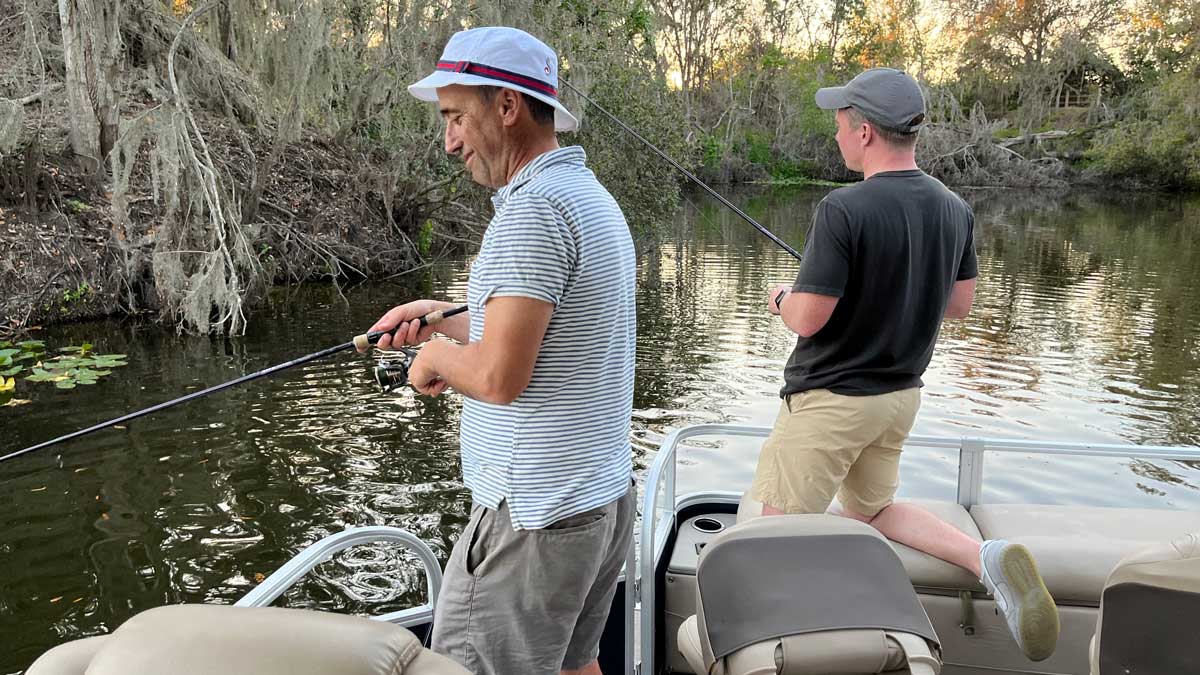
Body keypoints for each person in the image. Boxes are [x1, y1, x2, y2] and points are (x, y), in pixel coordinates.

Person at [751, 67, 1059, 662]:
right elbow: (959, 306)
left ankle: (801, 649)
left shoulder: (844, 209)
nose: (836, 132)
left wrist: (781, 299)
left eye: (841, 121)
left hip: (831, 403)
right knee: (873, 509)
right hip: (896, 402)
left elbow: (809, 318)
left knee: (770, 534)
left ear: (865, 131)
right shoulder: (954, 209)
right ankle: (984, 558)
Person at [359, 27, 636, 675]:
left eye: (456, 116)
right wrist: (440, 320)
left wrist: (428, 359)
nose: (449, 139)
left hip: (533, 517)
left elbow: (498, 376)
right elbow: (549, 336)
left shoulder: (531, 211)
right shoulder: (588, 198)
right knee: (576, 666)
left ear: (507, 106)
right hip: (598, 503)